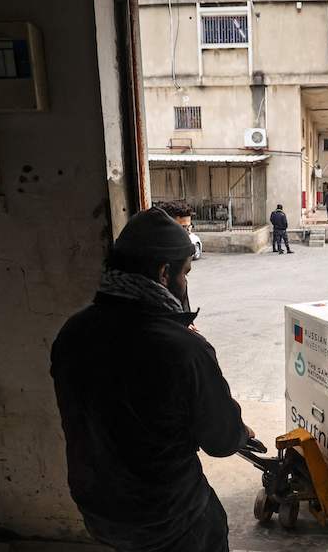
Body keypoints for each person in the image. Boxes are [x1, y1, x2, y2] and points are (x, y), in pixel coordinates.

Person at [51, 208, 253, 552]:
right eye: (185, 273)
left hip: (99, 511)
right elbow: (220, 441)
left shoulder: (72, 332)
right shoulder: (183, 349)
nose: (185, 284)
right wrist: (240, 432)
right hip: (169, 518)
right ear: (164, 273)